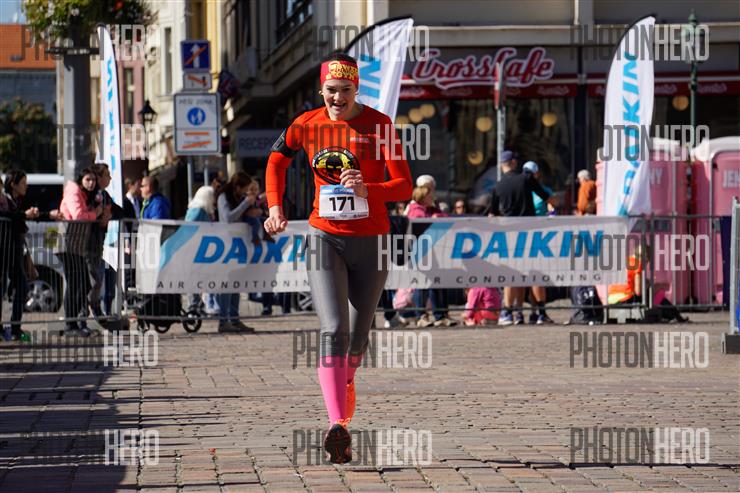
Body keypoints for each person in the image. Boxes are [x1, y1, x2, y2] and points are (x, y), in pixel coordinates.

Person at [264, 52, 412, 464]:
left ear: (356, 89)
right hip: (324, 237)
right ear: (321, 90)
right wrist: (275, 208)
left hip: (372, 241)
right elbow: (275, 163)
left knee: (358, 338)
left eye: (346, 90)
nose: (338, 98)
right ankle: (337, 425)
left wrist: (369, 189)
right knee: (333, 328)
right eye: (331, 90)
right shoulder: (306, 124)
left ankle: (344, 386)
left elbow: (404, 186)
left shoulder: (380, 125)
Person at [487, 151, 553, 325]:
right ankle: (540, 313)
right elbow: (545, 196)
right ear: (514, 163)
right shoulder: (526, 178)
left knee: (511, 274)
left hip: (509, 234)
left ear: (502, 165)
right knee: (535, 273)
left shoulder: (498, 186)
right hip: (529, 232)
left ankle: (509, 313)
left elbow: (492, 214)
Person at [58, 167, 104, 336]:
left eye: (93, 180)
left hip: (76, 246)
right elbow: (78, 215)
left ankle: (73, 323)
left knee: (83, 283)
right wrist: (95, 213)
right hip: (66, 244)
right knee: (75, 284)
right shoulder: (74, 191)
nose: (91, 183)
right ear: (81, 180)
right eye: (87, 180)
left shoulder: (84, 194)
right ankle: (70, 325)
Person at [406, 185, 457, 327]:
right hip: (420, 253)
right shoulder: (415, 210)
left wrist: (437, 216)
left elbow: (446, 218)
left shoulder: (431, 209)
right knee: (422, 285)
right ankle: (421, 316)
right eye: (430, 195)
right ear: (422, 197)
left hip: (435, 253)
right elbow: (419, 226)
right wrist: (432, 219)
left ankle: (440, 315)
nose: (433, 198)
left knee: (437, 283)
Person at [0, 169, 40, 341]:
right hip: (4, 251)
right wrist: (23, 215)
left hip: (15, 252)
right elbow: (7, 215)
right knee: (2, 290)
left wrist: (35, 214)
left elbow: (20, 219)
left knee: (22, 287)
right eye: (23, 183)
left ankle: (15, 328)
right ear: (13, 185)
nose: (26, 186)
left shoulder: (17, 201)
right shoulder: (5, 200)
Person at [216, 171, 257, 333]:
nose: (246, 192)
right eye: (245, 189)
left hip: (238, 244)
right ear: (237, 187)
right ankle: (223, 320)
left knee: (235, 283)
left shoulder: (237, 197)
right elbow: (228, 217)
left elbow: (240, 215)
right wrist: (245, 204)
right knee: (227, 283)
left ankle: (234, 318)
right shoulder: (223, 197)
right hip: (226, 245)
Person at [522, 161, 555, 324]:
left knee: (535, 276)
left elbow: (552, 208)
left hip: (540, 236)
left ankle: (535, 312)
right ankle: (538, 312)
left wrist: (551, 217)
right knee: (533, 276)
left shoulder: (543, 190)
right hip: (530, 235)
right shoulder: (524, 190)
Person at [185, 186, 217, 314]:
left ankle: (198, 305)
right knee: (193, 278)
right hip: (195, 249)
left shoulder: (203, 211)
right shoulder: (197, 211)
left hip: (202, 249)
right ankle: (193, 306)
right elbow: (189, 229)